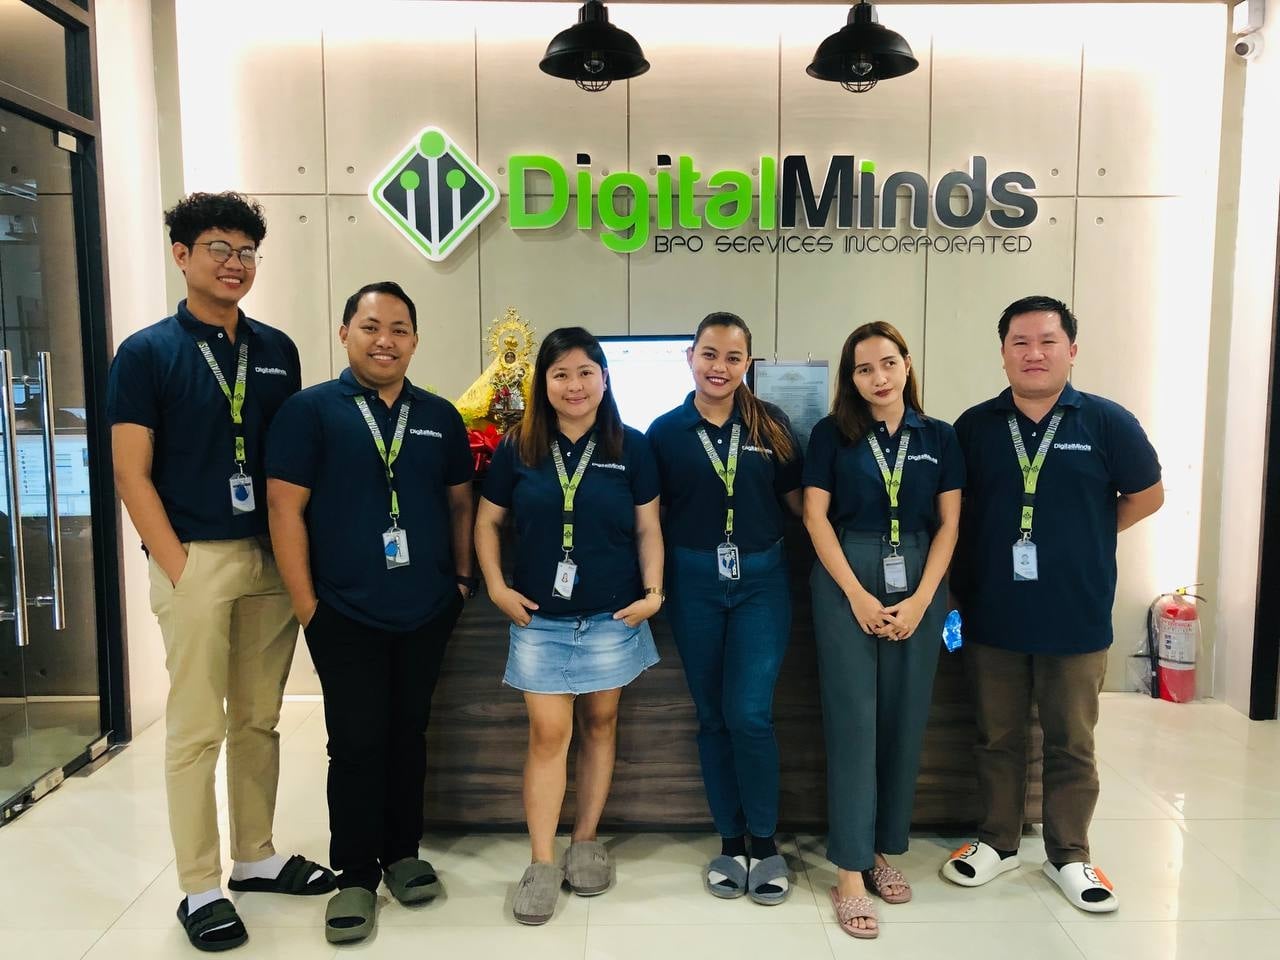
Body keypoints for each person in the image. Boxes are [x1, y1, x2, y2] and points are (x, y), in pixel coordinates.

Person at [108, 192, 334, 953]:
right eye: (218, 248)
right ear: (181, 254)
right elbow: (131, 474)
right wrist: (175, 566)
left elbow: (291, 464)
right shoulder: (147, 353)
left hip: (269, 558)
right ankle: (200, 885)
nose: (235, 264)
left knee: (258, 720)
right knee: (197, 728)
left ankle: (257, 856)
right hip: (196, 559)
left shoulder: (276, 349)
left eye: (246, 252)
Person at [939, 295, 1163, 914]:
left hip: (1076, 613)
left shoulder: (1106, 422)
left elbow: (1147, 495)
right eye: (1019, 342)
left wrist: (1087, 535)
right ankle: (997, 842)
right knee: (998, 736)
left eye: (1046, 341)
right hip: (993, 613)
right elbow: (956, 514)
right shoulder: (975, 427)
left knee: (1072, 741)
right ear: (1004, 352)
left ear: (1071, 348)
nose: (1033, 353)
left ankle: (1069, 853)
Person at [265, 281, 474, 943]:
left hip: (425, 608)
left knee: (409, 733)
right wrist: (308, 607)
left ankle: (403, 854)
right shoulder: (310, 413)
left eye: (400, 329)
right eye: (371, 326)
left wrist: (461, 581)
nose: (386, 340)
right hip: (344, 611)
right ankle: (356, 872)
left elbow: (461, 504)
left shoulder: (440, 415)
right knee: (355, 742)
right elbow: (283, 509)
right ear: (345, 334)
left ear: (415, 339)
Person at [474, 327, 663, 925]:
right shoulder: (517, 448)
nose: (574, 385)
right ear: (544, 383)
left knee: (603, 723)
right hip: (539, 618)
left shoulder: (631, 446)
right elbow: (485, 523)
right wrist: (497, 586)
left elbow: (648, 529)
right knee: (548, 735)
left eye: (586, 372)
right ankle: (540, 860)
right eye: (561, 374)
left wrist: (655, 592)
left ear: (604, 379)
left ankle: (585, 840)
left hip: (612, 615)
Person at [803, 321, 963, 940]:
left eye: (888, 364)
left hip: (922, 574)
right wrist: (857, 594)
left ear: (906, 365)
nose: (878, 378)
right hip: (848, 571)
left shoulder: (939, 437)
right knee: (854, 720)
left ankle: (880, 851)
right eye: (864, 369)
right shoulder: (830, 435)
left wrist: (924, 598)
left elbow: (950, 523)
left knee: (903, 717)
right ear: (851, 378)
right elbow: (815, 517)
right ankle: (847, 870)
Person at [646, 312, 803, 905]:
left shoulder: (772, 424)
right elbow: (649, 520)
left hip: (762, 580)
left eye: (733, 358)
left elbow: (797, 505)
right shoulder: (663, 432)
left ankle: (764, 843)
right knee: (711, 715)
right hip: (694, 581)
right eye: (709, 354)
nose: (720, 368)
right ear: (690, 357)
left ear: (747, 364)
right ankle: (729, 839)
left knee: (750, 714)